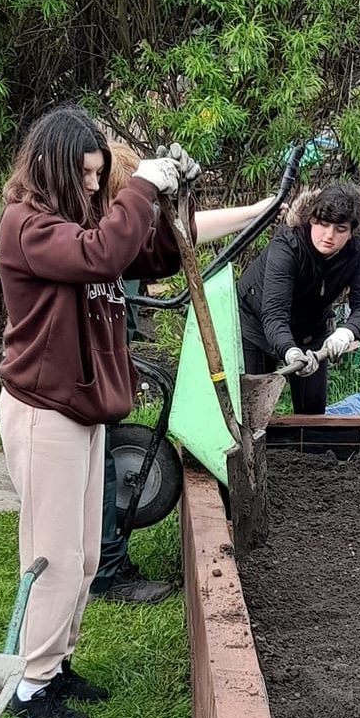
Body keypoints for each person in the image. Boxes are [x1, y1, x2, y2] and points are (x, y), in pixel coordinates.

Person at [0, 107, 195, 718]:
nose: (93, 184)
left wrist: (172, 197)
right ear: (54, 167)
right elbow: (104, 254)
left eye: (100, 174)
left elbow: (154, 258)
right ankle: (31, 685)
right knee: (51, 554)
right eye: (85, 174)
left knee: (82, 555)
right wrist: (140, 187)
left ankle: (56, 663)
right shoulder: (26, 228)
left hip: (81, 411)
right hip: (43, 411)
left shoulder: (79, 227)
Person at [92, 141, 276, 604]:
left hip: (101, 370)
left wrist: (258, 210)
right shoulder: (95, 241)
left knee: (103, 469)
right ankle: (106, 572)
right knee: (99, 476)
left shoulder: (117, 240)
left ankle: (105, 562)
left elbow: (183, 234)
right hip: (80, 384)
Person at [237, 182, 360, 415]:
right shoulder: (287, 245)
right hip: (257, 325)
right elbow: (274, 315)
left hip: (311, 329)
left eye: (340, 229)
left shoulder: (356, 251)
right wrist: (290, 352)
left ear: (352, 230)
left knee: (312, 411)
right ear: (312, 219)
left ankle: (310, 452)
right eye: (323, 224)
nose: (329, 236)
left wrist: (346, 333)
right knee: (253, 409)